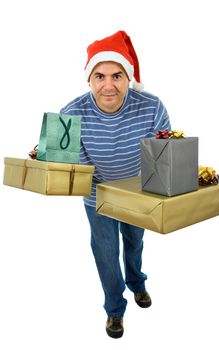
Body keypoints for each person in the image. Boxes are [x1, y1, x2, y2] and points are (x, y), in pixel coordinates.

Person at [60, 30, 171, 338]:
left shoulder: (151, 106)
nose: (108, 85)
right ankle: (114, 309)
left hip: (138, 192)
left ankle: (137, 283)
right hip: (97, 196)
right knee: (106, 252)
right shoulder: (72, 113)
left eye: (117, 76)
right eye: (99, 76)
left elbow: (163, 152)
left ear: (128, 77)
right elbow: (67, 160)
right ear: (89, 79)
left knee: (134, 243)